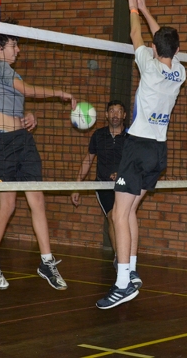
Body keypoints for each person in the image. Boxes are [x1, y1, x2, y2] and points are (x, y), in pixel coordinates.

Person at [96, 0, 186, 310]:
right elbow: (158, 40)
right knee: (130, 211)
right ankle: (132, 271)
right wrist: (146, 11)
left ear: (154, 48)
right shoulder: (180, 72)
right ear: (177, 50)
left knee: (119, 214)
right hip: (159, 152)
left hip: (137, 147)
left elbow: (136, 34)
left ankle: (122, 284)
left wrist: (134, 8)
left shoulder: (148, 65)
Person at [0, 24, 77, 291]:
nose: (18, 50)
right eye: (13, 45)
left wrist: (29, 117)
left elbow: (15, 103)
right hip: (3, 146)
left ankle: (47, 262)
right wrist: (60, 93)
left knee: (37, 200)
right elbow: (27, 90)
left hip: (23, 142)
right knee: (8, 205)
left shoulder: (7, 72)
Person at [71, 101, 128, 263]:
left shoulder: (130, 137)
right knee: (112, 216)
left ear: (124, 115)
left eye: (119, 111)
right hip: (103, 185)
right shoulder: (98, 135)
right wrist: (77, 186)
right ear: (106, 115)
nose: (115, 114)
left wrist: (121, 173)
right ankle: (119, 259)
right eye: (112, 111)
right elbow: (88, 160)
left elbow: (134, 163)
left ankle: (126, 257)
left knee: (123, 219)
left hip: (124, 185)